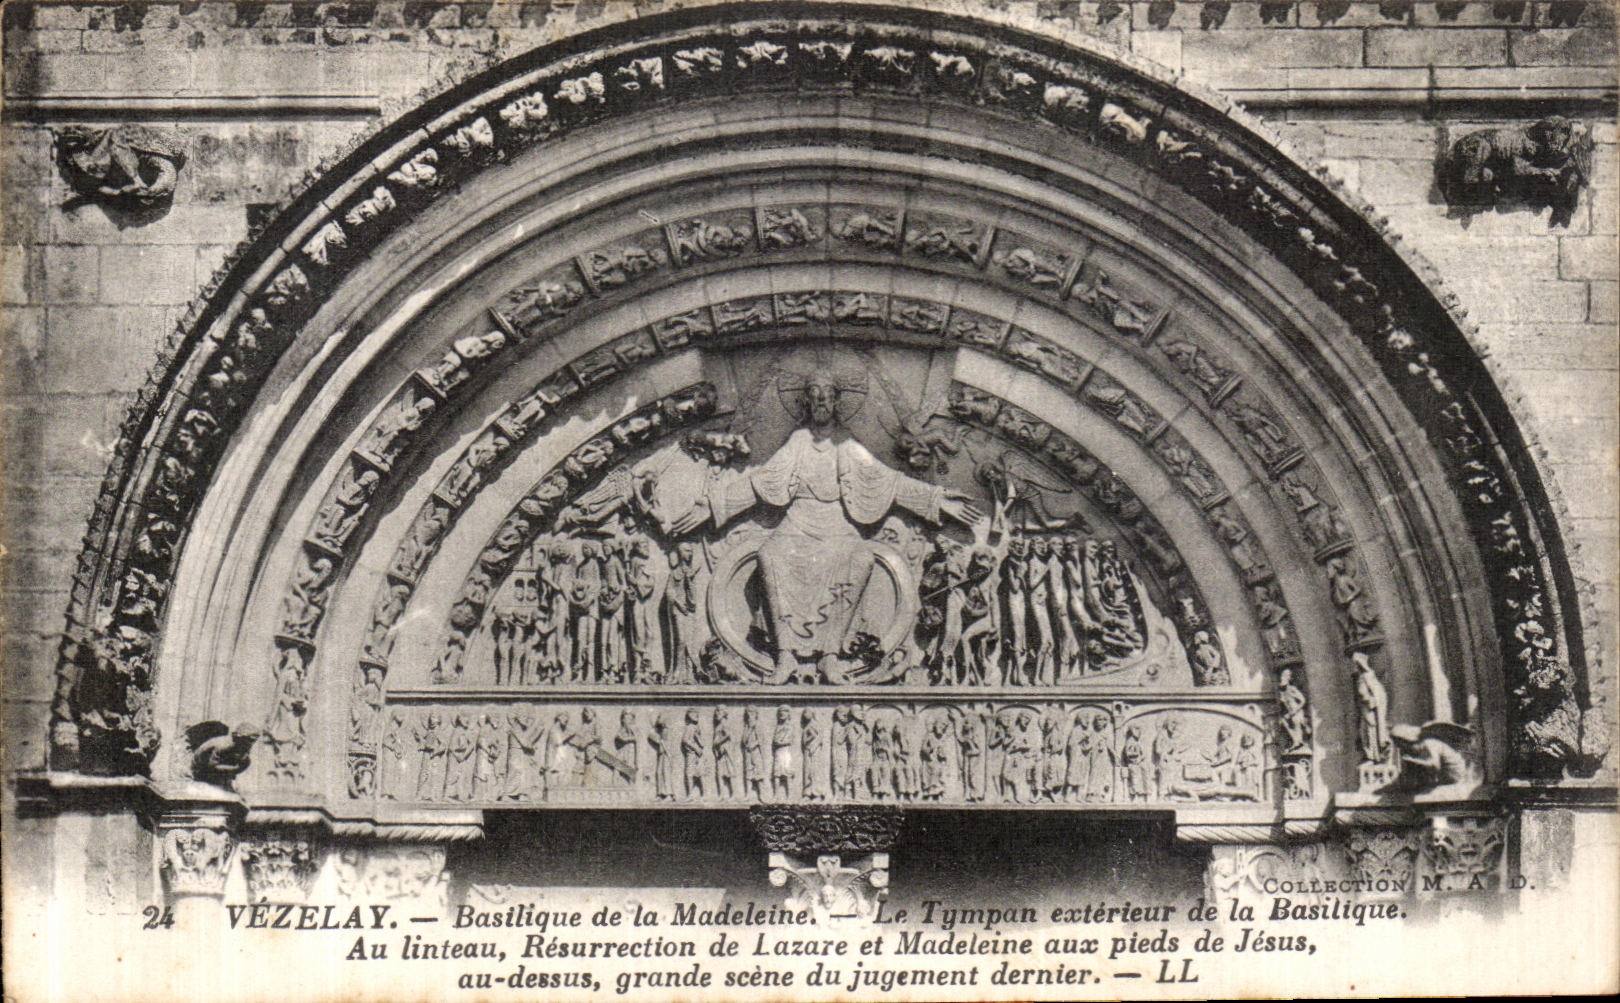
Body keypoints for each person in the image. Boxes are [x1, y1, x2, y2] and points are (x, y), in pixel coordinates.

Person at [671, 373, 979, 680]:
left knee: (861, 558)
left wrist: (936, 500)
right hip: (797, 522)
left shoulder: (846, 444)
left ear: (836, 402)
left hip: (838, 524)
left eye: (828, 394)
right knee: (769, 556)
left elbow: (890, 482)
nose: (821, 399)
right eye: (815, 393)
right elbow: (759, 482)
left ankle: (831, 655)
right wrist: (713, 507)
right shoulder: (798, 442)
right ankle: (785, 656)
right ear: (805, 401)